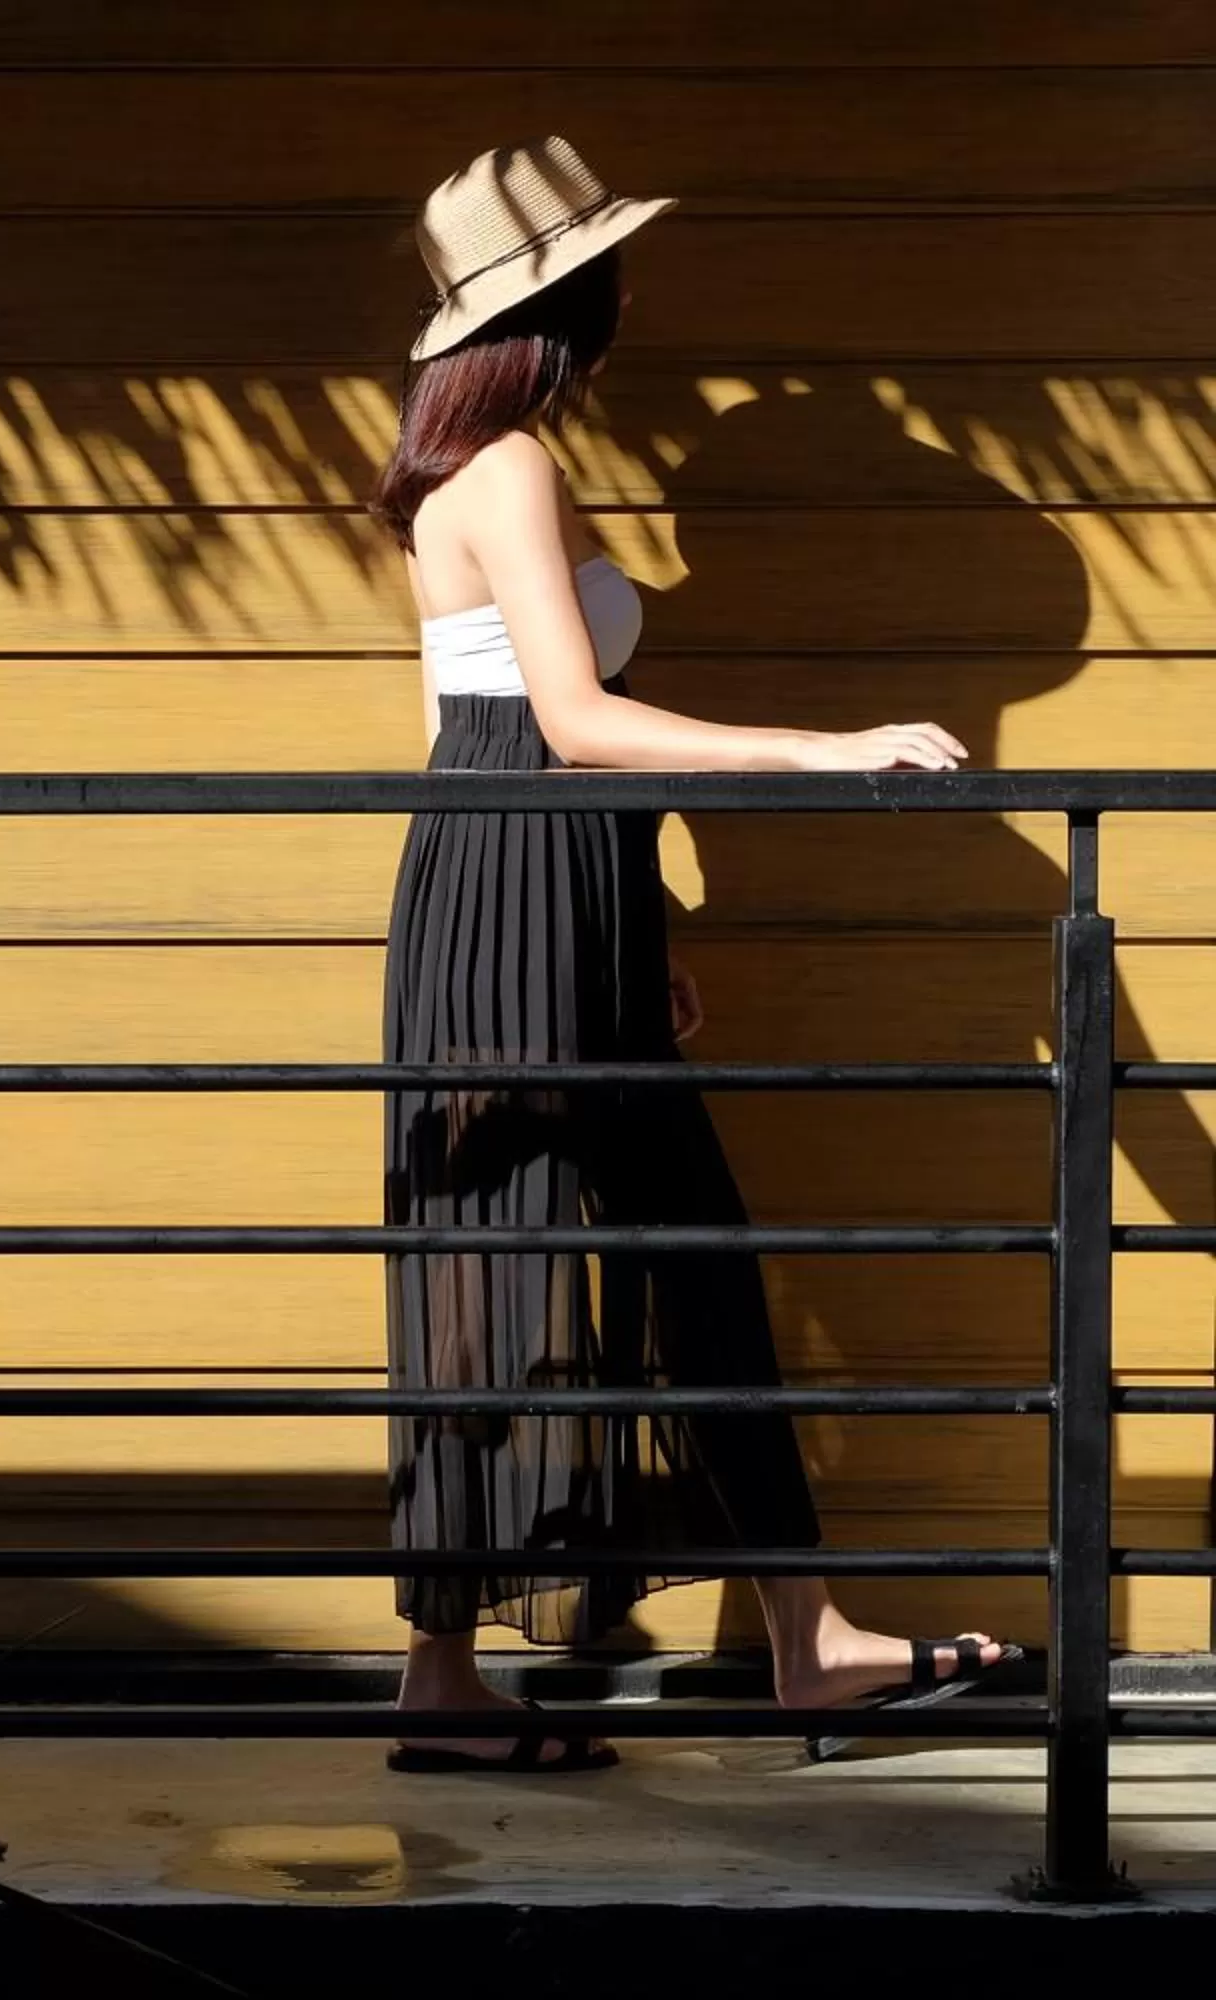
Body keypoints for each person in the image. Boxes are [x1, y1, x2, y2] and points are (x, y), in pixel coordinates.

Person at [371, 138, 1017, 1772]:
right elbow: (570, 723)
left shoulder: (479, 458)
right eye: (612, 272)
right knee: (499, 1255)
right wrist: (829, 748)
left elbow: (498, 730)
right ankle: (442, 1683)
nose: (633, 292)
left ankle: (808, 1639)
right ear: (570, 305)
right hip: (520, 871)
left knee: (674, 1246)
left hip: (539, 877)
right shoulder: (506, 465)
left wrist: (638, 917)